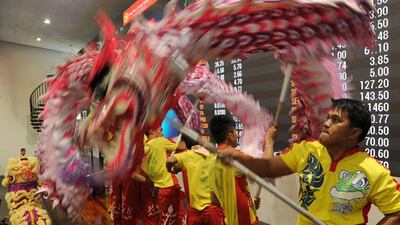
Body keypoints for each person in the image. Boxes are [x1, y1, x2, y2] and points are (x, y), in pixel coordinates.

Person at [219, 98, 400, 225]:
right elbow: (268, 168)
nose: (327, 123)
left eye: (336, 120)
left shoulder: (373, 170)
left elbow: (396, 213)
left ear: (354, 133)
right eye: (328, 118)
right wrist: (241, 159)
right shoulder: (307, 150)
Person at [208, 115, 259, 225]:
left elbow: (213, 198)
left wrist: (250, 203)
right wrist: (269, 142)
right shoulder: (235, 156)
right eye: (236, 132)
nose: (237, 135)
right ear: (230, 135)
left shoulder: (210, 160)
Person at [166, 131, 225, 225]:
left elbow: (170, 161)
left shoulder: (187, 155)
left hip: (195, 212)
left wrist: (169, 169)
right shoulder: (212, 155)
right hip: (212, 209)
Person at [144, 127, 186, 225]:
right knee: (169, 220)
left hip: (158, 188)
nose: (162, 132)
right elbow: (182, 147)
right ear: (152, 131)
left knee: (173, 217)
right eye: (160, 130)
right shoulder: (160, 141)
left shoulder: (146, 147)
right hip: (168, 187)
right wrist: (186, 136)